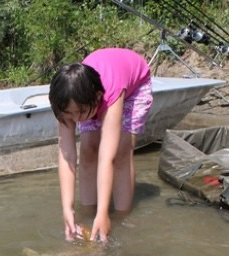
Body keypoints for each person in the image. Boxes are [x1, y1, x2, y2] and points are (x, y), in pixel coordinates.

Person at [49, 48, 152, 242]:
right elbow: (67, 156)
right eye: (70, 115)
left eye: (79, 114)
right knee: (88, 151)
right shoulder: (66, 104)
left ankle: (121, 216)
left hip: (132, 87)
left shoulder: (108, 95)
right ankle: (89, 212)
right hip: (87, 95)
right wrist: (67, 209)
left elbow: (107, 158)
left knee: (121, 152)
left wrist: (104, 214)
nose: (76, 120)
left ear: (96, 99)